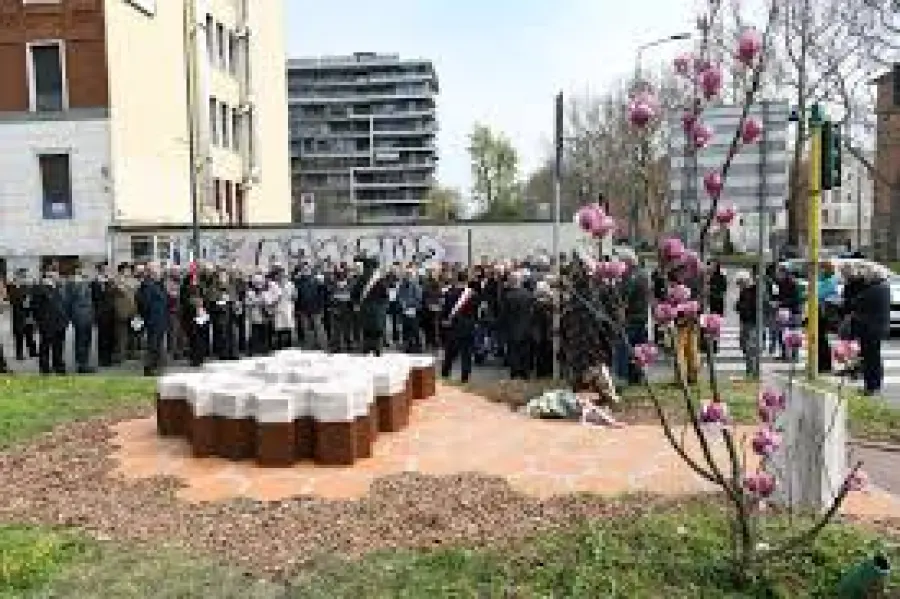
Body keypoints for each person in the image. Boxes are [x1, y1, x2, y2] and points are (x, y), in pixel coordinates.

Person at [853, 266, 890, 395]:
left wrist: (859, 282)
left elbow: (857, 301)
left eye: (868, 275)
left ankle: (870, 386)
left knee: (870, 358)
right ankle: (875, 384)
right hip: (877, 328)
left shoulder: (874, 290)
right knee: (874, 357)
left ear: (874, 277)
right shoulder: (884, 288)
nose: (866, 277)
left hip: (870, 329)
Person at [440, 271, 477, 383]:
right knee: (466, 354)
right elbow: (474, 313)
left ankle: (445, 374)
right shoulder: (472, 294)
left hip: (452, 327)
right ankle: (465, 378)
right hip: (467, 327)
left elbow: (444, 311)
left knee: (449, 353)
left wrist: (444, 321)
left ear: (457, 279)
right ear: (467, 280)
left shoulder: (448, 292)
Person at [32, 265, 68, 375]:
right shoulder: (39, 287)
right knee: (45, 346)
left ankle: (59, 366)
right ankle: (45, 368)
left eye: (57, 272)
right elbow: (35, 306)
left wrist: (65, 319)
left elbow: (63, 303)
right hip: (47, 322)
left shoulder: (58, 286)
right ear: (48, 273)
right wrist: (40, 321)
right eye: (55, 272)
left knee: (59, 346)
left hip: (60, 322)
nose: (57, 274)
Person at [136, 263, 169, 376]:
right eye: (158, 269)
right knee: (152, 344)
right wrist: (148, 317)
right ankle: (149, 367)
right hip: (153, 319)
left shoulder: (158, 284)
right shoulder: (147, 285)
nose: (160, 272)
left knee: (158, 344)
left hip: (160, 318)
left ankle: (156, 365)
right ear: (151, 272)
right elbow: (144, 304)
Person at [502, 271, 535, 379]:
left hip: (512, 329)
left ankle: (515, 374)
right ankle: (525, 374)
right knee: (525, 353)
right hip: (527, 328)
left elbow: (504, 315)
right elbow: (532, 313)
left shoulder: (508, 296)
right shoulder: (529, 295)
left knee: (513, 353)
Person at [354, 257, 389, 356]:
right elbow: (385, 296)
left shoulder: (363, 279)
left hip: (369, 307)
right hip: (375, 308)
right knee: (375, 330)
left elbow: (355, 294)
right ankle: (375, 349)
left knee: (369, 330)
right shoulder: (379, 279)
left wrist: (356, 303)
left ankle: (369, 348)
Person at [65, 265, 96, 374]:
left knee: (87, 340)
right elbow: (68, 301)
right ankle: (81, 364)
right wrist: (70, 317)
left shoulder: (85, 282)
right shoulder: (73, 283)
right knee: (81, 340)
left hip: (88, 315)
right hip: (79, 315)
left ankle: (85, 362)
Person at [734, 270, 760, 379]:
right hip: (744, 321)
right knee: (744, 345)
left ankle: (751, 371)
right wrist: (739, 306)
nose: (739, 286)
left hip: (753, 322)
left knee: (750, 347)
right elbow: (739, 305)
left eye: (740, 283)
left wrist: (742, 307)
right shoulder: (743, 291)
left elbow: (755, 306)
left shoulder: (754, 290)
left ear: (745, 281)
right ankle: (750, 369)